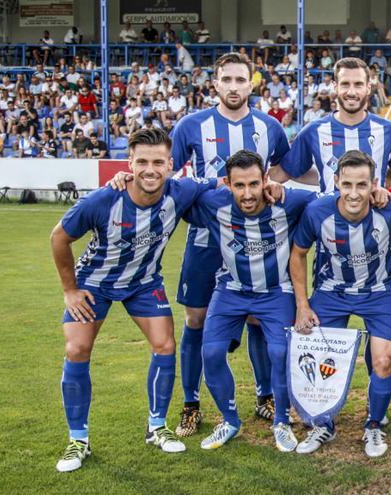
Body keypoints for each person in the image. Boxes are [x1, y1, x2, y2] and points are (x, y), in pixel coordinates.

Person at [49, 128, 218, 472]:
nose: (150, 169)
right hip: (95, 284)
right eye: (142, 162)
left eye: (158, 162)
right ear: (130, 163)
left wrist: (272, 185)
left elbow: (221, 182)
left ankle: (156, 427)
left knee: (165, 345)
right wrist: (69, 290)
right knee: (77, 350)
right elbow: (59, 237)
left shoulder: (181, 191)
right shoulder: (102, 200)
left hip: (143, 283)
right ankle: (77, 440)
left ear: (171, 165)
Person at [168, 52, 294, 438]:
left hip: (256, 241)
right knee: (195, 320)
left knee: (259, 316)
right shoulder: (191, 125)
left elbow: (280, 177)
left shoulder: (270, 127)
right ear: (215, 83)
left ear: (251, 83)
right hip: (207, 239)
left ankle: (266, 395)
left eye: (242, 80)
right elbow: (169, 177)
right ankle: (191, 403)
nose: (235, 86)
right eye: (228, 80)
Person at [180, 150, 307, 452]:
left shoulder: (290, 202)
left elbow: (332, 204)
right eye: (239, 186)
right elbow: (172, 194)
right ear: (227, 184)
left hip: (276, 291)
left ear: (266, 179)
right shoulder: (214, 204)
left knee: (279, 352)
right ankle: (230, 420)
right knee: (210, 353)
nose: (248, 194)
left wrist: (284, 190)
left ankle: (281, 422)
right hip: (231, 290)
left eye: (254, 183)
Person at [289, 150, 391, 457]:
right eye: (348, 184)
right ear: (337, 182)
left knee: (383, 360)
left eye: (362, 185)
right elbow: (298, 254)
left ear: (374, 184)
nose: (354, 193)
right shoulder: (317, 212)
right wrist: (302, 305)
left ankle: (373, 425)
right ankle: (323, 424)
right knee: (321, 361)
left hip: (381, 292)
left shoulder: (390, 208)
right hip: (331, 293)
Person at [270, 57, 391, 193]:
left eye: (358, 84)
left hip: (376, 223)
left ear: (368, 88)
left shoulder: (389, 131)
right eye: (345, 84)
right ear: (335, 86)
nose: (351, 92)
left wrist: (382, 181)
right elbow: (286, 171)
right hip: (329, 223)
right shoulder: (313, 131)